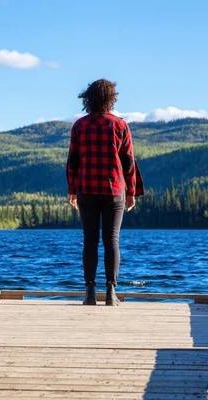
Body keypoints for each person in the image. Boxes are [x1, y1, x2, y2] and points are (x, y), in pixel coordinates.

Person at [66, 79, 143, 306]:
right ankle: (111, 294)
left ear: (88, 99)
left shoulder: (79, 126)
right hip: (114, 190)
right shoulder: (120, 125)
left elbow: (73, 161)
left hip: (86, 189)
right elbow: (128, 162)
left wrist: (72, 188)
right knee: (112, 240)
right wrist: (131, 191)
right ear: (111, 99)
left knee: (90, 241)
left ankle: (90, 293)